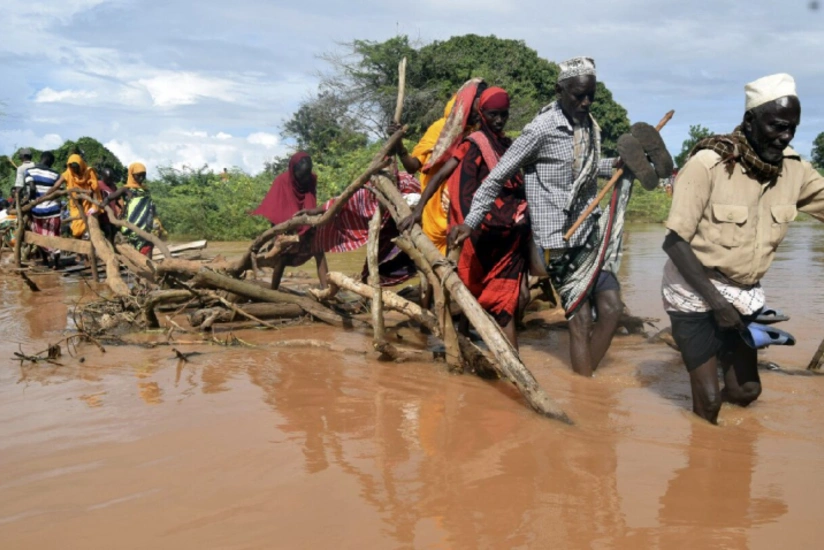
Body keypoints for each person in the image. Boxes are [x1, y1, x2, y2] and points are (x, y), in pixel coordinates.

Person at [451, 57, 669, 376]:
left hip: (587, 235)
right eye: (579, 95)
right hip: (556, 242)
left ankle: (587, 388)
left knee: (610, 311)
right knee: (580, 321)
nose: (585, 102)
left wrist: (620, 164)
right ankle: (585, 397)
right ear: (560, 90)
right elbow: (496, 176)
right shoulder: (541, 129)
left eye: (590, 95)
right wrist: (470, 223)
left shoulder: (586, 127)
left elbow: (587, 169)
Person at [661, 73, 824, 424]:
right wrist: (718, 305)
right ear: (750, 120)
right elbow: (674, 243)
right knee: (708, 402)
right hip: (692, 287)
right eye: (777, 127)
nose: (785, 137)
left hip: (744, 293)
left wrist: (730, 305)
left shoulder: (795, 170)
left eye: (792, 129)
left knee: (745, 392)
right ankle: (702, 456)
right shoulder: (709, 164)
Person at [445, 87, 529, 348]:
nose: (500, 120)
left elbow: (520, 182)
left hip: (510, 232)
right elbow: (455, 178)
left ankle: (508, 364)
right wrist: (419, 207)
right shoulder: (474, 143)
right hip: (481, 228)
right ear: (482, 113)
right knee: (472, 286)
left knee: (509, 299)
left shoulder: (508, 145)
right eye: (494, 114)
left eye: (504, 115)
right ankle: (464, 339)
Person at [393, 78, 486, 253]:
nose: (480, 111)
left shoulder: (480, 132)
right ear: (467, 102)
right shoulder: (440, 129)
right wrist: (398, 144)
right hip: (435, 211)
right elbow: (413, 166)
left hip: (465, 212)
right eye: (478, 104)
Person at [251, 152, 328, 290]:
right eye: (302, 175)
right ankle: (273, 290)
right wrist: (279, 237)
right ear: (293, 171)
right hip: (287, 228)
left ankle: (326, 289)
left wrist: (309, 226)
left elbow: (310, 203)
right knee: (283, 258)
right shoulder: (281, 182)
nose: (305, 179)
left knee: (319, 251)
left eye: (307, 175)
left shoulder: (311, 180)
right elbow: (275, 210)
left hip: (306, 226)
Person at [103, 163, 156, 255]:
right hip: (131, 226)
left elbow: (150, 206)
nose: (141, 178)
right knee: (135, 250)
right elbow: (109, 198)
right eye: (138, 175)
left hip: (145, 226)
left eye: (143, 175)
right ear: (131, 175)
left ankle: (147, 268)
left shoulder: (145, 190)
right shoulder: (125, 189)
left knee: (148, 245)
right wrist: (104, 204)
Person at [46, 154, 101, 238]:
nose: (74, 169)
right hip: (75, 204)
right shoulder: (68, 173)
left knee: (88, 225)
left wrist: (94, 204)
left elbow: (95, 188)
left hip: (88, 202)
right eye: (72, 167)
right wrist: (45, 195)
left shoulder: (89, 172)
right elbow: (56, 186)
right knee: (76, 227)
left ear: (81, 165)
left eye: (76, 167)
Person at [23, 151, 62, 267]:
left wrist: (30, 202)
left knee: (39, 237)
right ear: (51, 162)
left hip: (37, 212)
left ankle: (45, 261)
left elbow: (31, 189)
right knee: (55, 237)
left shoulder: (29, 171)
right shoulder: (56, 174)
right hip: (53, 211)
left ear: (41, 158)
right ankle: (56, 263)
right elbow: (58, 192)